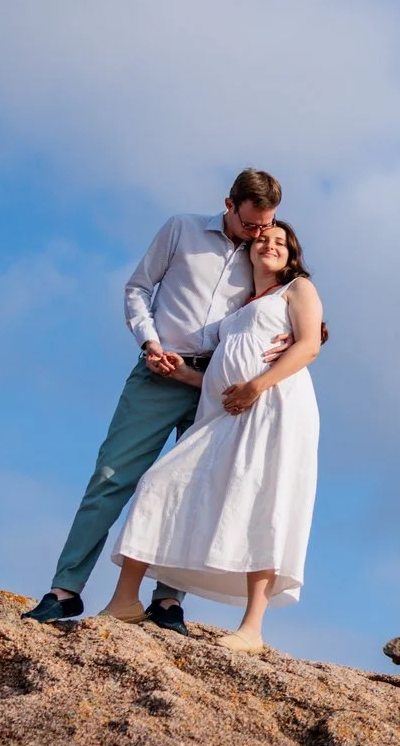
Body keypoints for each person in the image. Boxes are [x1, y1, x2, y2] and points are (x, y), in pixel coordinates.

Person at [26, 169, 292, 630]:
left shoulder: (265, 249)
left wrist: (302, 336)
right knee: (112, 476)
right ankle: (65, 591)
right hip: (158, 374)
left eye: (267, 223)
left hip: (218, 385)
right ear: (229, 204)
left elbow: (293, 298)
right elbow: (138, 287)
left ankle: (167, 601)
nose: (260, 233)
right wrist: (149, 342)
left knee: (195, 488)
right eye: (251, 224)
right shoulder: (181, 229)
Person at [102, 220, 323, 653]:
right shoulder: (241, 306)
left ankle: (252, 629)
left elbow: (310, 344)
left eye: (280, 241)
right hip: (226, 410)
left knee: (265, 502)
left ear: (291, 254)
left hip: (273, 408)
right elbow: (222, 371)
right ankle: (123, 601)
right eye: (262, 238)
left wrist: (256, 386)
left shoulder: (298, 289)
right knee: (160, 483)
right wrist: (179, 370)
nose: (269, 244)